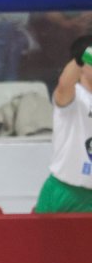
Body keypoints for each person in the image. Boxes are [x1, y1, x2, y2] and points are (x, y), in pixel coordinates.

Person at [35, 37, 92, 212]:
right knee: (43, 240)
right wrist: (80, 56)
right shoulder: (74, 97)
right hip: (63, 191)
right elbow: (64, 84)